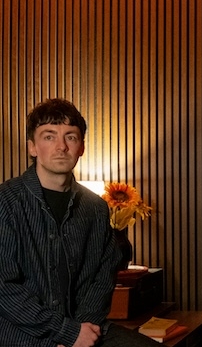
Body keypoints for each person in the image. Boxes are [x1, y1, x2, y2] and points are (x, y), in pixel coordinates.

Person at [0, 98, 160, 347]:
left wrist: (82, 331)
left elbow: (102, 278)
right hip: (23, 335)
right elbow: (4, 288)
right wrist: (66, 332)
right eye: (49, 136)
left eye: (71, 137)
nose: (61, 146)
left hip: (85, 328)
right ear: (32, 147)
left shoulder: (95, 208)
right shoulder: (6, 202)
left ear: (81, 147)